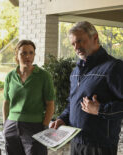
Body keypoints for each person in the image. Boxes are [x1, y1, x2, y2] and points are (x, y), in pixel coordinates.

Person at [51, 21, 123, 155]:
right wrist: (62, 119)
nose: (76, 47)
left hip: (100, 145)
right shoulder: (75, 72)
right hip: (76, 141)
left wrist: (100, 110)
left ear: (95, 38)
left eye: (80, 41)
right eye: (73, 43)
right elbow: (72, 103)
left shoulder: (114, 67)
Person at [3, 40, 55, 155]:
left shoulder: (44, 76)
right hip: (11, 126)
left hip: (35, 126)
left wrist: (44, 126)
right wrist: (5, 124)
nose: (28, 56)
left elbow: (50, 104)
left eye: (31, 53)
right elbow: (6, 102)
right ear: (16, 55)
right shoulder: (10, 76)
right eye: (23, 53)